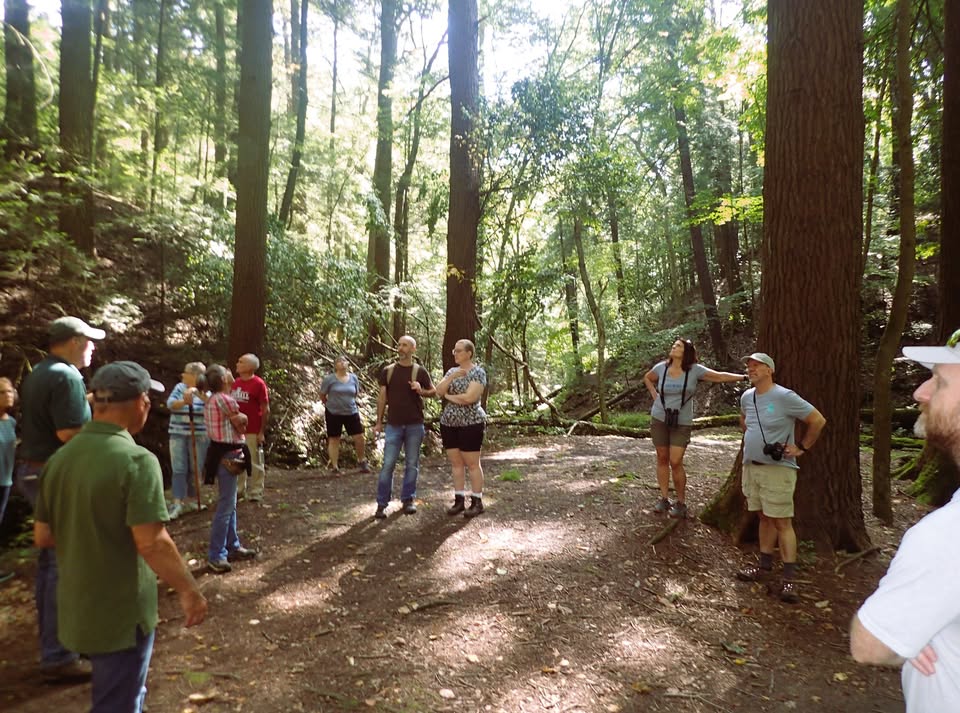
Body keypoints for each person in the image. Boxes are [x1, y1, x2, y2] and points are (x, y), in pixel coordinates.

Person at [33, 361, 207, 713]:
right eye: (147, 399)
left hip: (76, 608)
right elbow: (152, 542)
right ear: (141, 402)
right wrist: (189, 590)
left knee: (120, 695)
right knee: (119, 703)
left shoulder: (59, 459)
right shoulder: (137, 461)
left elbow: (43, 536)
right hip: (121, 615)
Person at [850, 329, 960, 711]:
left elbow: (870, 644)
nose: (920, 393)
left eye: (940, 381)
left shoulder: (947, 535)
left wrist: (906, 637)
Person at [16, 315, 104, 681]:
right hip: (53, 473)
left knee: (53, 562)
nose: (94, 347)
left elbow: (52, 417)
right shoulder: (66, 375)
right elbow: (68, 432)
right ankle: (58, 656)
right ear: (72, 341)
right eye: (89, 341)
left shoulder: (41, 371)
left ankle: (63, 643)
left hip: (35, 469)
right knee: (62, 564)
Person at [733, 352, 826, 603]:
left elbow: (817, 420)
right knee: (763, 517)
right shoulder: (746, 397)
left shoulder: (784, 397)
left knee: (782, 521)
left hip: (778, 469)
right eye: (749, 366)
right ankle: (764, 567)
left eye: (756, 366)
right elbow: (744, 420)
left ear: (769, 370)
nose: (751, 369)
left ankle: (789, 579)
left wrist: (801, 448)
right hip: (751, 466)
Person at [643, 338, 746, 518]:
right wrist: (654, 394)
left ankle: (681, 502)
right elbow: (648, 378)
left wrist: (744, 377)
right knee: (662, 457)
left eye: (678, 346)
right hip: (659, 417)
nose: (674, 347)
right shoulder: (661, 368)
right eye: (673, 345)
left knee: (675, 461)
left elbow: (719, 376)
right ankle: (664, 498)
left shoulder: (694, 371)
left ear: (687, 351)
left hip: (682, 421)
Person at [373, 335, 435, 519]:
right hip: (393, 425)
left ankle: (408, 500)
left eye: (405, 345)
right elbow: (382, 397)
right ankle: (381, 504)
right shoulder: (388, 371)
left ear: (413, 349)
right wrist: (378, 422)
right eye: (399, 345)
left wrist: (420, 390)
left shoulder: (420, 371)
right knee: (388, 464)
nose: (400, 348)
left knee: (412, 464)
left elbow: (433, 391)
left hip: (415, 425)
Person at [204, 365, 257, 574]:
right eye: (228, 373)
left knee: (230, 502)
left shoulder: (211, 399)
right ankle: (216, 554)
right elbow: (242, 423)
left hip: (220, 453)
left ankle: (232, 545)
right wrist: (242, 420)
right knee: (226, 505)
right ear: (225, 380)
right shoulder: (225, 400)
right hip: (227, 454)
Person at [436, 339, 487, 518]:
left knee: (472, 463)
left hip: (471, 423)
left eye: (458, 351)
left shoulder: (478, 372)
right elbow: (438, 391)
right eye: (454, 351)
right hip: (449, 423)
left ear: (468, 353)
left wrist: (449, 396)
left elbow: (469, 398)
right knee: (456, 463)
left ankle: (477, 501)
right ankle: (459, 500)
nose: (455, 353)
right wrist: (451, 378)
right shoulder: (452, 371)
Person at [166, 362, 209, 519]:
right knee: (178, 468)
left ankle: (192, 499)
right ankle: (177, 502)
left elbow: (210, 404)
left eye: (186, 373)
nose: (182, 375)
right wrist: (185, 401)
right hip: (177, 433)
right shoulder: (179, 387)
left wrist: (196, 393)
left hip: (199, 435)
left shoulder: (207, 389)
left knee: (195, 468)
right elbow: (170, 404)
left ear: (195, 376)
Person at [320, 356, 370, 474]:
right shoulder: (329, 379)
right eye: (339, 361)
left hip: (351, 411)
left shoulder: (354, 378)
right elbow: (322, 395)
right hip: (333, 412)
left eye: (344, 361)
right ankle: (335, 466)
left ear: (348, 364)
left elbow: (355, 393)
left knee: (359, 437)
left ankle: (362, 461)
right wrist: (329, 404)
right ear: (335, 365)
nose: (342, 363)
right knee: (334, 438)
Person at [232, 353, 270, 503]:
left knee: (255, 461)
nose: (237, 364)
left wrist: (261, 432)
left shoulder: (258, 384)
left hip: (253, 430)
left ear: (249, 367)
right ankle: (239, 490)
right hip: (236, 431)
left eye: (241, 362)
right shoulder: (235, 383)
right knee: (238, 460)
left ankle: (256, 491)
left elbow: (265, 409)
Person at [0, 377, 17, 584]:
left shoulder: (11, 422)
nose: (8, 395)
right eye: (3, 392)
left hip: (5, 482)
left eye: (10, 391)